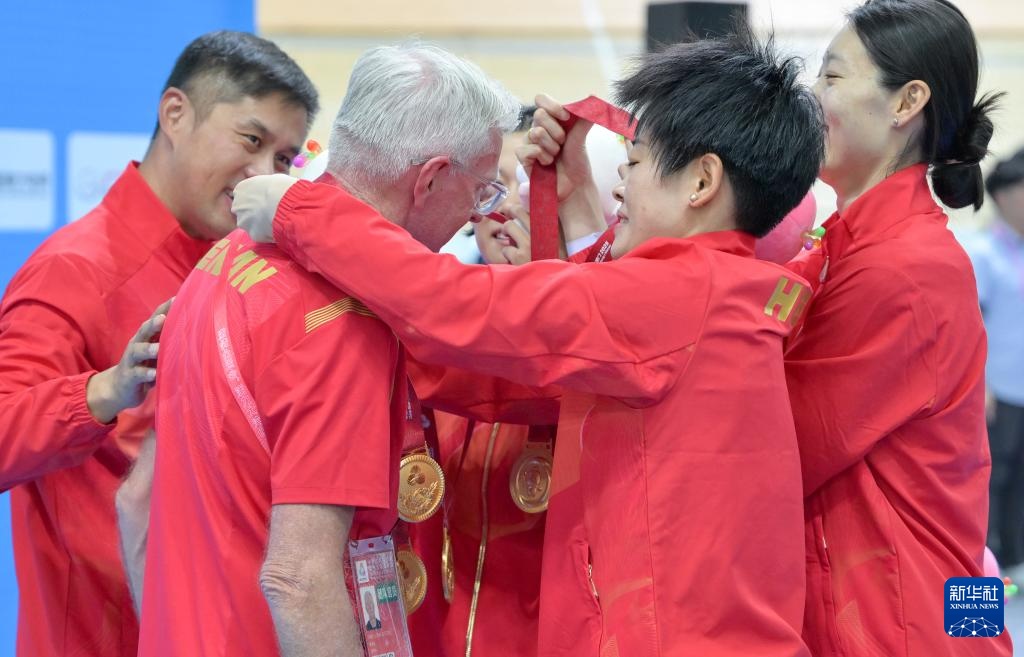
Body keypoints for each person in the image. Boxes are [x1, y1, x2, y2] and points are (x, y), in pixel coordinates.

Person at [234, 28, 824, 657]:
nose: (620, 188)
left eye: (635, 164)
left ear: (701, 181)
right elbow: (514, 370)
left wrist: (301, 212)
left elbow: (456, 305)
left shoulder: (681, 294)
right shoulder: (716, 295)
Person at [137, 43, 518, 657]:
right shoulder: (343, 319)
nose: (479, 216)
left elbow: (136, 504)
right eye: (480, 192)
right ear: (430, 178)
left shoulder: (222, 258)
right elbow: (298, 581)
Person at [0, 30, 315, 656]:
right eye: (251, 141)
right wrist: (104, 391)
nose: (263, 174)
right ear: (175, 114)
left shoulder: (247, 275)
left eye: (284, 159)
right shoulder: (74, 270)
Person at [783, 1, 1012, 654]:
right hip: (909, 599)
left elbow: (783, 446)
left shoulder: (903, 267)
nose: (812, 96)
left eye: (832, 76)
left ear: (907, 101)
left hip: (899, 619)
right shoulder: (850, 245)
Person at [960, 148, 1024, 578]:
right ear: (1003, 195)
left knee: (1019, 482)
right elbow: (969, 327)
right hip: (995, 392)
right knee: (990, 480)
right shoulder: (982, 251)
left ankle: (1015, 564)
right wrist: (979, 385)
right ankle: (982, 572)